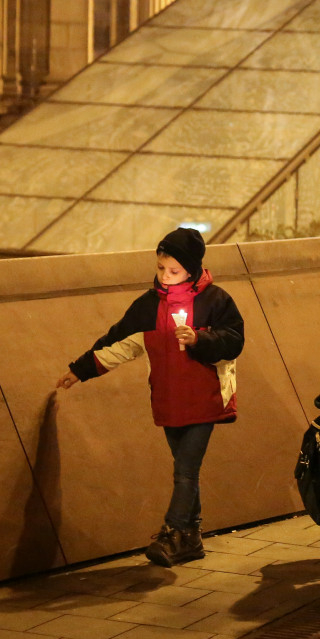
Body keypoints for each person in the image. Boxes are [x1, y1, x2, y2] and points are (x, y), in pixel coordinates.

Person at [58, 228, 244, 567]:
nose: (165, 276)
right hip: (168, 400)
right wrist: (80, 370)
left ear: (192, 269)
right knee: (185, 471)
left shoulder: (216, 300)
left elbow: (233, 341)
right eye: (161, 268)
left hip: (205, 400)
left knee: (185, 471)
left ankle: (172, 533)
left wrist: (199, 339)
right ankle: (191, 538)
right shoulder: (148, 306)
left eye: (173, 270)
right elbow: (118, 343)